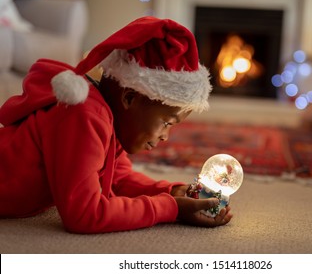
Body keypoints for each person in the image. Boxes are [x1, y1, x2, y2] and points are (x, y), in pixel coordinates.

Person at [0, 16, 232, 233]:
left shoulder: (111, 120)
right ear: (129, 97)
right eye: (166, 122)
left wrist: (170, 191)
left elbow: (118, 178)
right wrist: (170, 208)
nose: (165, 136)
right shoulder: (84, 115)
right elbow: (84, 215)